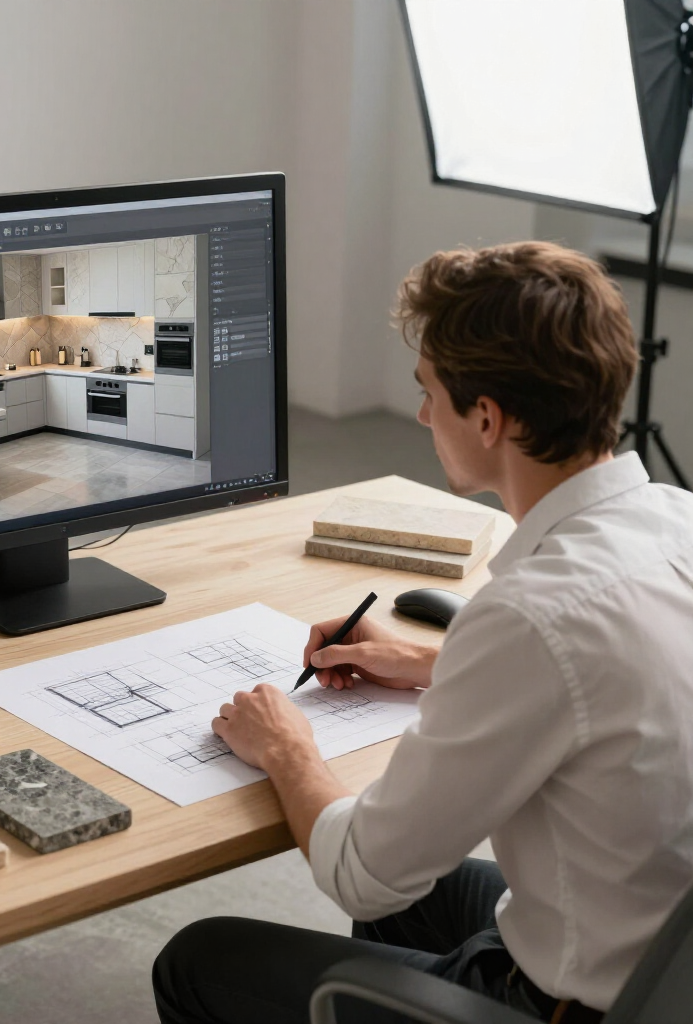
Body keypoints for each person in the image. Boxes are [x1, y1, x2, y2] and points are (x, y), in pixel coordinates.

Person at [152, 241, 693, 1024]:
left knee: (200, 961)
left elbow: (359, 872)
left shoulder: (532, 616)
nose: (420, 414)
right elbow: (606, 676)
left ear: (486, 417)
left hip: (578, 1007)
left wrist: (287, 748)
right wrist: (430, 663)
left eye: (428, 392)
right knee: (417, 894)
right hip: (660, 961)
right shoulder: (677, 520)